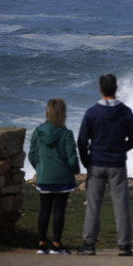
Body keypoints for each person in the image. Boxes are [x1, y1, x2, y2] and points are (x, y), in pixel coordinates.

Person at [77, 74, 133, 256]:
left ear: (100, 89)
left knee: (93, 205)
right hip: (117, 164)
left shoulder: (92, 112)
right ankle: (124, 246)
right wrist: (120, 149)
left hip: (96, 163)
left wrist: (87, 161)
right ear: (116, 88)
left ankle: (89, 245)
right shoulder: (125, 111)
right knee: (121, 205)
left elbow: (81, 141)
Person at [28, 98, 80, 255]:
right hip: (63, 179)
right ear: (62, 113)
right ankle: (56, 245)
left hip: (44, 177)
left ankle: (41, 244)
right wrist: (75, 170)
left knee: (44, 210)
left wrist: (41, 168)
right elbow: (72, 157)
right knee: (59, 211)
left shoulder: (38, 131)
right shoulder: (66, 134)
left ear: (48, 112)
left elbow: (32, 155)